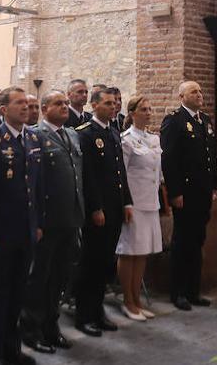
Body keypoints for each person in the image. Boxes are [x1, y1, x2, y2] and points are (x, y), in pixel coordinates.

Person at [0, 87, 43, 365]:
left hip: (25, 229)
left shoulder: (33, 138)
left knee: (17, 294)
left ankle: (12, 349)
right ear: (3, 109)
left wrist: (39, 223)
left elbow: (38, 188)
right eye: (19, 103)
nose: (25, 107)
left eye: (27, 103)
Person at [22, 91, 84, 353]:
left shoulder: (71, 134)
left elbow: (78, 176)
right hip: (47, 220)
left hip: (70, 218)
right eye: (59, 103)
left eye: (66, 104)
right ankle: (31, 330)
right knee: (39, 279)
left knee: (59, 278)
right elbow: (31, 183)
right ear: (44, 108)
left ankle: (51, 326)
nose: (65, 107)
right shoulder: (34, 135)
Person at [74, 87, 132, 335]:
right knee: (90, 264)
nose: (113, 106)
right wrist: (95, 208)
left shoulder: (114, 133)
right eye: (107, 103)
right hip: (97, 211)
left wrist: (127, 202)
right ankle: (84, 315)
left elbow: (120, 172)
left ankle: (98, 311)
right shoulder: (86, 134)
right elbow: (87, 177)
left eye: (114, 103)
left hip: (115, 208)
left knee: (105, 264)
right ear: (94, 105)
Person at [160, 80, 217, 311]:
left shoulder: (205, 120)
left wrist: (215, 185)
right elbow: (169, 160)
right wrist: (175, 192)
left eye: (200, 91)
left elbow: (210, 156)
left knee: (198, 241)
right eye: (194, 91)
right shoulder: (174, 121)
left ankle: (194, 291)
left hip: (203, 193)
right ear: (181, 96)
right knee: (182, 242)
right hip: (184, 194)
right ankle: (178, 293)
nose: (199, 94)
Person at [117, 95, 162, 321]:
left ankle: (137, 299)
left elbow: (157, 173)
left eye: (150, 109)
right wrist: (125, 202)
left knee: (142, 251)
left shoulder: (154, 140)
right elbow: (121, 174)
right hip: (133, 203)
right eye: (143, 109)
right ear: (132, 113)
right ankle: (128, 301)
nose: (148, 113)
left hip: (150, 202)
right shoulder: (126, 139)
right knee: (129, 252)